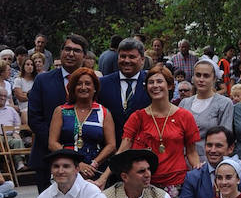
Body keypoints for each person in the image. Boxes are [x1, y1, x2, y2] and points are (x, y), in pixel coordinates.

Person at [116, 64, 201, 198]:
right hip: (143, 184)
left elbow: (191, 152)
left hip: (176, 184)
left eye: (159, 81)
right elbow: (122, 151)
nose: (155, 85)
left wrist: (198, 168)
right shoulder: (138, 117)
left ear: (169, 85)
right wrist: (104, 177)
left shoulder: (185, 116)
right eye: (151, 82)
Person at [27, 34, 91, 187]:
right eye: (67, 49)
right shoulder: (43, 80)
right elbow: (34, 119)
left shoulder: (91, 83)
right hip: (47, 157)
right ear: (61, 52)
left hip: (84, 160)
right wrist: (56, 145)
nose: (70, 54)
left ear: (84, 55)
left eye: (76, 50)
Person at [47, 67, 115, 182]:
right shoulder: (61, 111)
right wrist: (77, 163)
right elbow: (52, 143)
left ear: (95, 88)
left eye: (88, 83)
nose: (83, 87)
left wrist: (94, 164)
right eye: (79, 84)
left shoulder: (103, 112)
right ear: (73, 88)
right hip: (65, 169)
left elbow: (111, 145)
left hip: (93, 172)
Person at [178, 59, 233, 161]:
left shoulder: (224, 103)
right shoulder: (184, 103)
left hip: (210, 161)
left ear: (214, 79)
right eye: (198, 75)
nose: (201, 79)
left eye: (206, 76)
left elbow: (225, 138)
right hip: (184, 160)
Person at [99, 41, 151, 148]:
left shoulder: (152, 84)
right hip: (110, 151)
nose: (126, 60)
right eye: (122, 56)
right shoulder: (102, 84)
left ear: (142, 60)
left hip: (143, 150)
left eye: (132, 57)